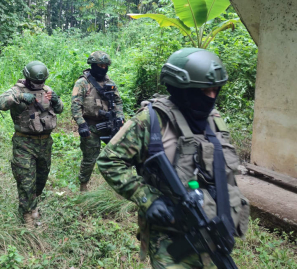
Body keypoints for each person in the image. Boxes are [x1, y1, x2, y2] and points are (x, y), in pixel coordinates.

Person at [97, 48, 250, 268]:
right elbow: (109, 160)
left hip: (214, 233)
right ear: (182, 89)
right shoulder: (152, 120)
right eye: (204, 90)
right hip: (170, 237)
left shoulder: (214, 120)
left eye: (216, 90)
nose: (212, 98)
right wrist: (147, 198)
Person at [0, 61, 63, 228]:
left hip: (45, 142)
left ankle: (32, 202)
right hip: (24, 141)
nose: (39, 85)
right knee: (26, 179)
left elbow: (60, 109)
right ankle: (28, 214)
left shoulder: (47, 90)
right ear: (27, 77)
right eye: (36, 82)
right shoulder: (17, 90)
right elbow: (0, 103)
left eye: (41, 82)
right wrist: (18, 97)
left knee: (41, 178)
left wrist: (56, 100)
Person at [71, 51, 124, 192]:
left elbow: (118, 102)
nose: (103, 68)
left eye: (105, 65)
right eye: (99, 65)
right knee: (90, 158)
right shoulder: (82, 83)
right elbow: (75, 105)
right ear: (93, 65)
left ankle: (119, 184)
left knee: (117, 154)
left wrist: (119, 117)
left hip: (109, 123)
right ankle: (83, 185)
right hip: (90, 126)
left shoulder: (110, 82)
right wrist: (81, 124)